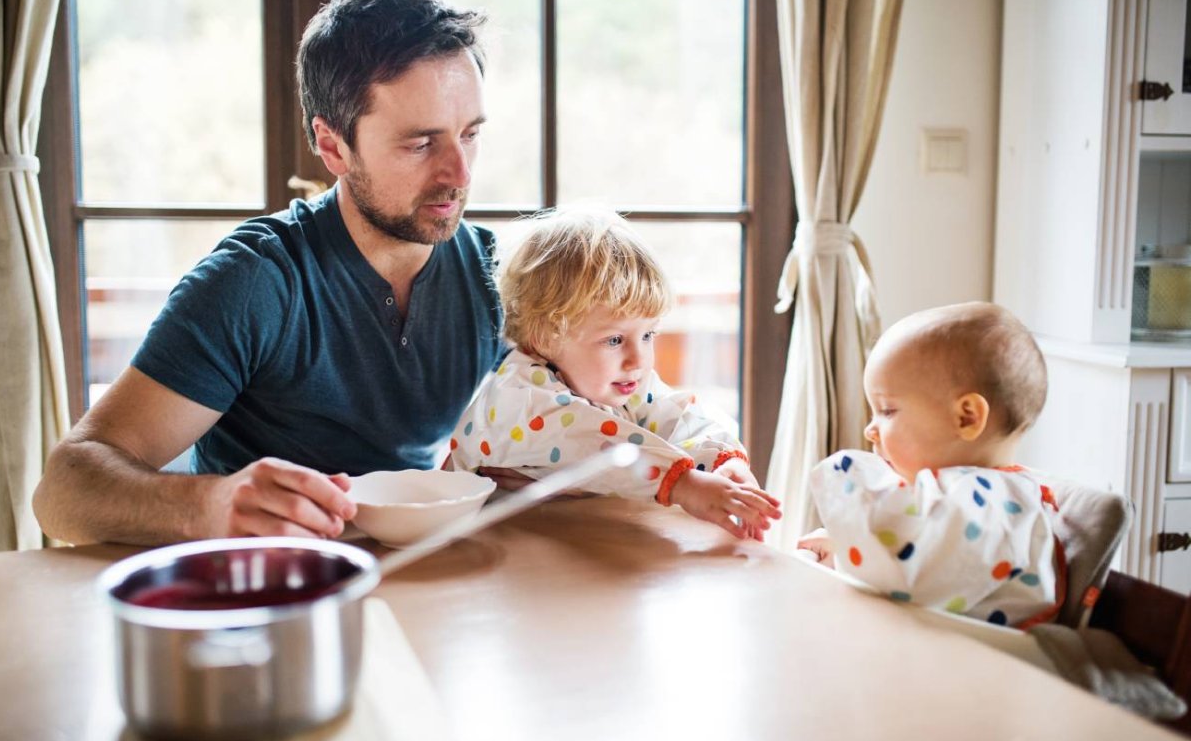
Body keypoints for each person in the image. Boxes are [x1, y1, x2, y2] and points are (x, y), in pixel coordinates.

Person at [33, 0, 506, 545]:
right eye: (420, 144)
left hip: (423, 572)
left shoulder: (496, 274)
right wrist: (208, 505)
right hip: (265, 579)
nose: (460, 173)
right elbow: (62, 492)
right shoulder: (256, 280)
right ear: (332, 146)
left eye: (470, 134)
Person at [448, 208, 782, 540]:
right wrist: (682, 483)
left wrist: (723, 460)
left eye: (648, 335)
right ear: (544, 336)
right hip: (484, 552)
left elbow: (678, 413)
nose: (638, 359)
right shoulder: (519, 395)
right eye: (614, 340)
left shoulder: (619, 382)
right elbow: (588, 440)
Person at [797, 301, 1064, 628]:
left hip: (984, 655)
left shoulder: (994, 503)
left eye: (887, 411)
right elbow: (917, 561)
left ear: (966, 418)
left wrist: (846, 478)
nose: (870, 430)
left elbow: (910, 578)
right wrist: (845, 552)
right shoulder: (968, 493)